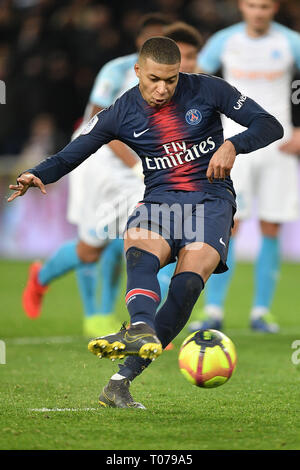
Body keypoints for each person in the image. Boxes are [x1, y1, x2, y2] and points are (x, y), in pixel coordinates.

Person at [8, 37, 283, 409]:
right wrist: (35, 173)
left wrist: (234, 145)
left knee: (186, 288)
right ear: (138, 71)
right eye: (154, 79)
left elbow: (270, 125)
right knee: (139, 245)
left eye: (170, 80)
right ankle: (139, 325)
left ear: (179, 73)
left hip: (211, 202)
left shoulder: (208, 89)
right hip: (159, 201)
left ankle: (120, 382)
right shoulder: (120, 111)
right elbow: (75, 150)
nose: (162, 88)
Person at [20, 13, 170, 338]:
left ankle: (146, 321)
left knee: (142, 236)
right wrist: (136, 166)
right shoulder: (117, 71)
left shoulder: (174, 80)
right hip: (98, 162)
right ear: (139, 44)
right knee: (92, 247)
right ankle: (43, 277)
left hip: (135, 167)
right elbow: (98, 125)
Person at [189, 0, 300, 334]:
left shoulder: (290, 41)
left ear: (274, 7)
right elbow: (198, 84)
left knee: (271, 226)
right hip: (232, 147)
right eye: (252, 5)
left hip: (279, 147)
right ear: (242, 6)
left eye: (265, 6)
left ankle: (261, 312)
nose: (259, 12)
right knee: (227, 224)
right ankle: (212, 310)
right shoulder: (224, 41)